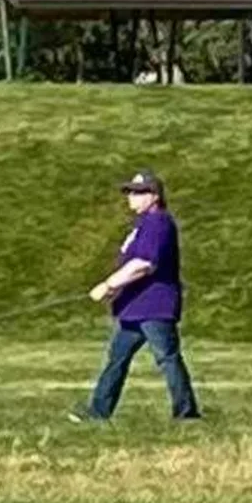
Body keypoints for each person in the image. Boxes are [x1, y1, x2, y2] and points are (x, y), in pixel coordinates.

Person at [71, 170, 201, 423]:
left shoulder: (158, 223)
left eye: (138, 192)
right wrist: (118, 290)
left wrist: (108, 285)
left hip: (154, 306)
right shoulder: (143, 225)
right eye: (130, 192)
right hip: (134, 307)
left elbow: (144, 264)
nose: (131, 197)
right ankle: (98, 412)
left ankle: (187, 414)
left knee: (167, 359)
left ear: (154, 196)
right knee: (117, 360)